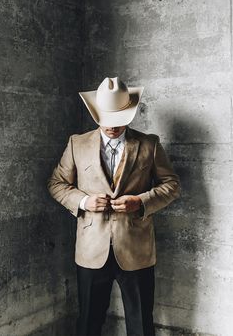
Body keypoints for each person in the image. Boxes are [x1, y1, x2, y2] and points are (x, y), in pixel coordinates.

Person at [47, 77, 181, 336]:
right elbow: (56, 184)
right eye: (106, 119)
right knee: (88, 323)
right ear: (96, 114)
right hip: (90, 249)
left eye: (119, 119)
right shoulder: (77, 143)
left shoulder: (149, 144)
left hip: (136, 248)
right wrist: (84, 201)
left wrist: (140, 202)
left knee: (141, 324)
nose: (112, 127)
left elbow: (172, 185)